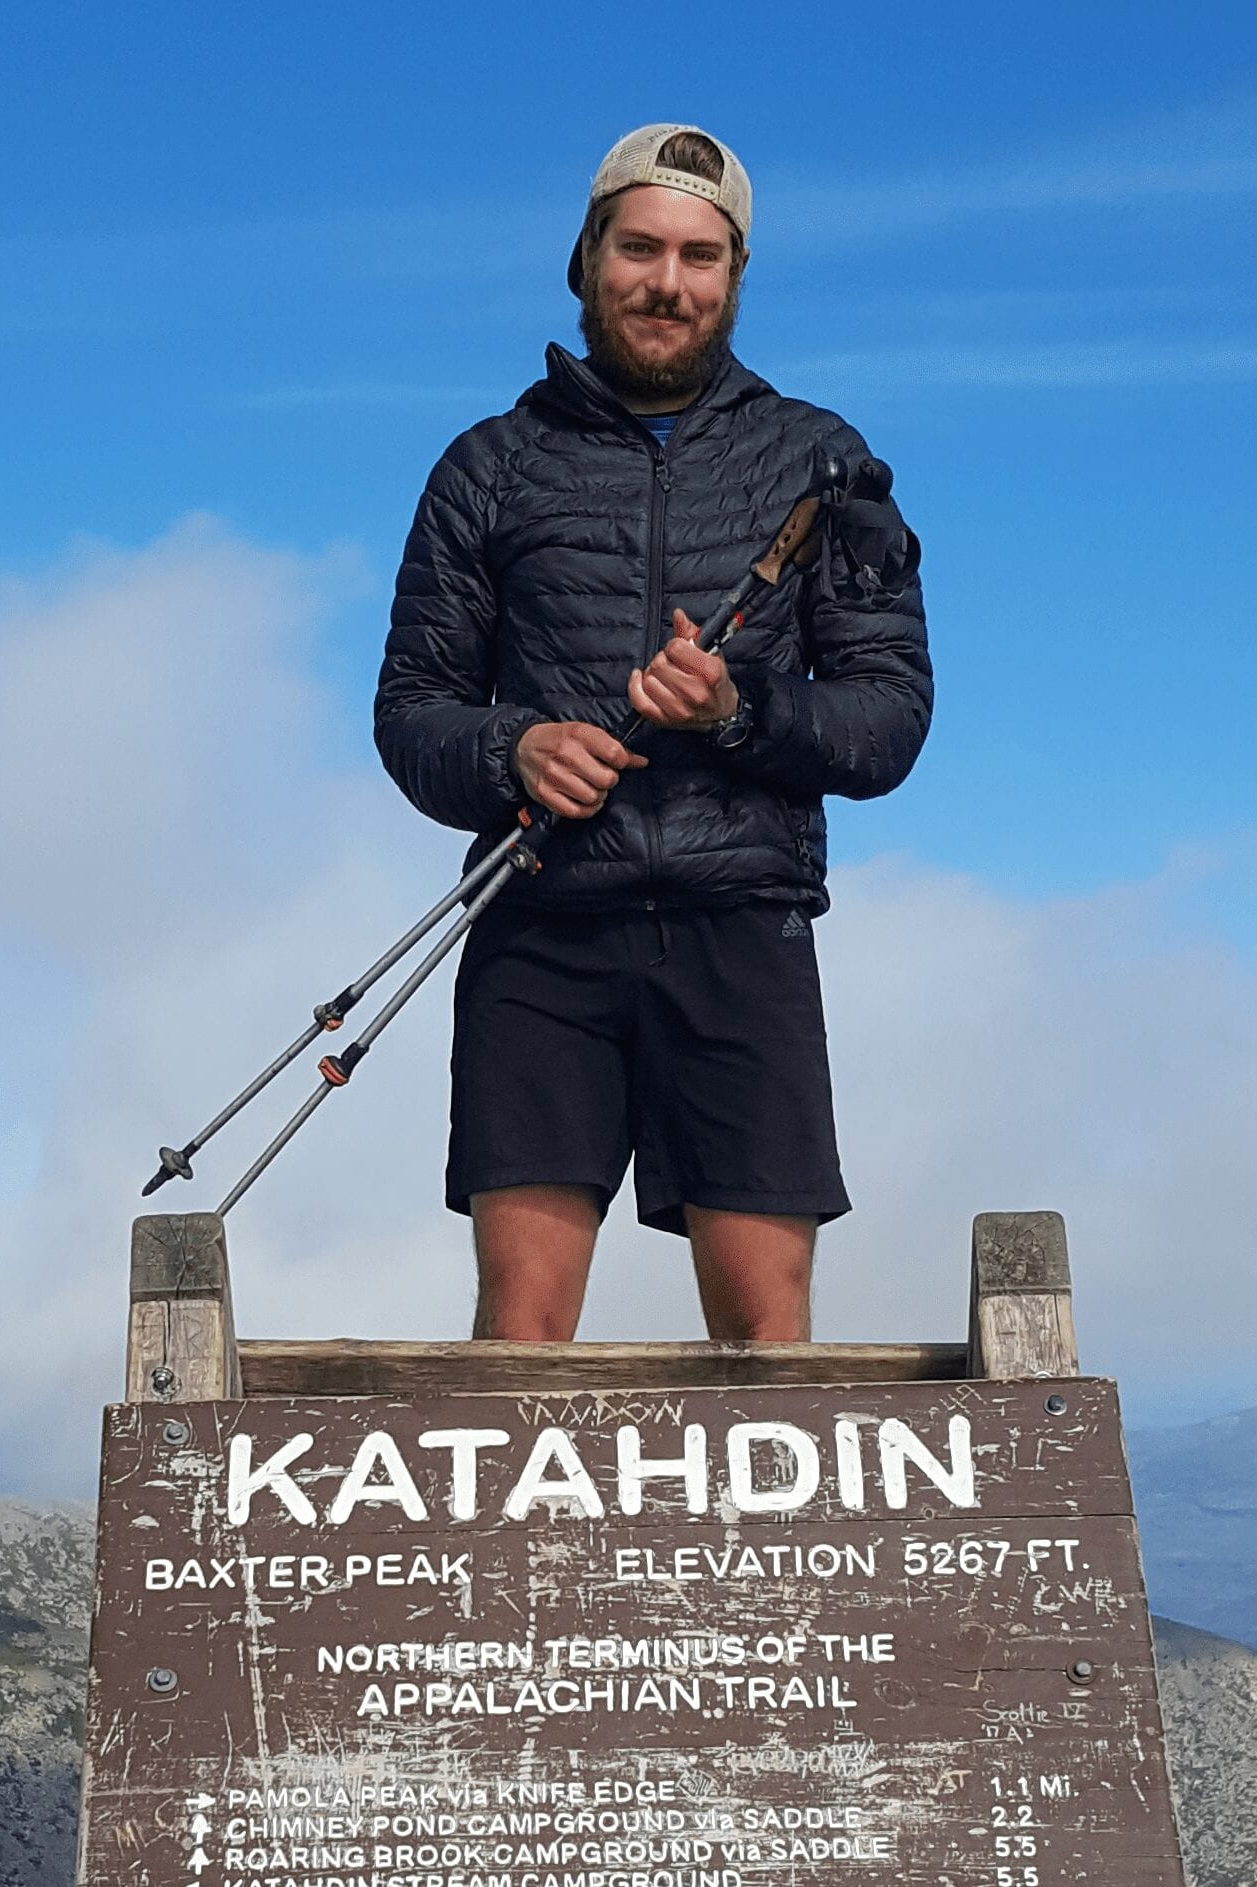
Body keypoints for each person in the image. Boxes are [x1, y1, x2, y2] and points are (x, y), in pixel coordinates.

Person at [374, 123, 931, 1345]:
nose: (666, 283)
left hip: (744, 928)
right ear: (586, 259)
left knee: (765, 1333)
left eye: (699, 257)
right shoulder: (488, 469)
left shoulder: (823, 463)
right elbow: (413, 712)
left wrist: (742, 712)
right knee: (520, 1333)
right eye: (639, 249)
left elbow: (888, 723)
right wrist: (514, 749)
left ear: (734, 279)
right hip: (539, 923)